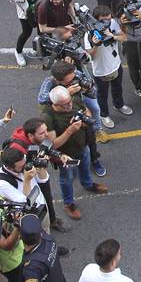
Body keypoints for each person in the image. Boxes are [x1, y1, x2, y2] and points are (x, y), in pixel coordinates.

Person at [40, 86, 106, 219]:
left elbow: (86, 111)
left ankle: (87, 184)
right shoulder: (48, 117)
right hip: (65, 155)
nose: (69, 106)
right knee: (67, 179)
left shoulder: (74, 100)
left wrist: (84, 120)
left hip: (83, 146)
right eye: (65, 105)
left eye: (70, 102)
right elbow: (52, 144)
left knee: (85, 167)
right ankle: (68, 203)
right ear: (55, 104)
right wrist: (70, 130)